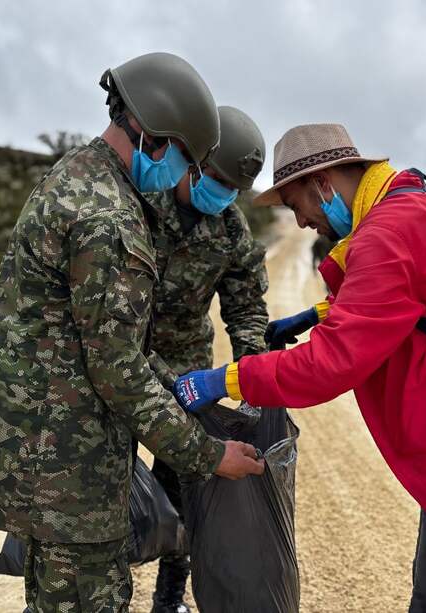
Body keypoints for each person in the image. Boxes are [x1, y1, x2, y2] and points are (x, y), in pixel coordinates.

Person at [171, 123, 426, 613]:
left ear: (322, 183)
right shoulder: (408, 206)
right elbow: (406, 301)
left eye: (295, 205)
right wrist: (317, 314)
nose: (303, 223)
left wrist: (221, 379)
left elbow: (331, 364)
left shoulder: (390, 231)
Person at [0, 52, 264, 613]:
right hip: (68, 468)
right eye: (184, 158)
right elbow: (117, 369)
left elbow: (95, 342)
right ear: (153, 136)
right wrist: (206, 453)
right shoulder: (111, 219)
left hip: (42, 450)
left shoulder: (77, 172)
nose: (182, 175)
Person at [145, 106, 269, 613]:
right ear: (191, 162)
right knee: (105, 480)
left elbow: (245, 308)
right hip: (117, 362)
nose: (218, 194)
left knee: (185, 491)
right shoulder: (140, 203)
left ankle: (169, 598)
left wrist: (253, 371)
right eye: (214, 180)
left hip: (185, 373)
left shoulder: (231, 231)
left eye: (230, 189)